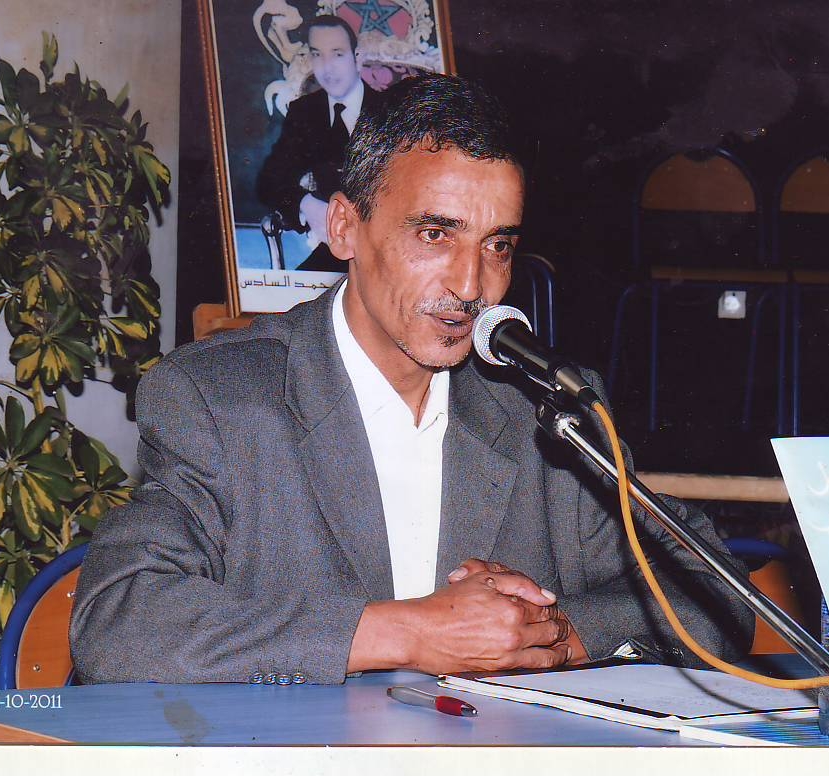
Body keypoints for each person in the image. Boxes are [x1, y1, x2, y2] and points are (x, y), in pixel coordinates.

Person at [70, 73, 752, 685]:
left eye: (498, 245)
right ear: (345, 228)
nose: (471, 285)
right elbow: (119, 623)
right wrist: (407, 634)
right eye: (435, 234)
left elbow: (715, 592)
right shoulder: (217, 398)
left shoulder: (545, 408)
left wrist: (547, 636)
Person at [256, 15, 379, 273]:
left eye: (337, 54)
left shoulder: (390, 109)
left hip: (384, 249)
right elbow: (269, 180)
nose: (327, 67)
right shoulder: (305, 112)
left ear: (357, 58)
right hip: (333, 251)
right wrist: (306, 205)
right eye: (317, 55)